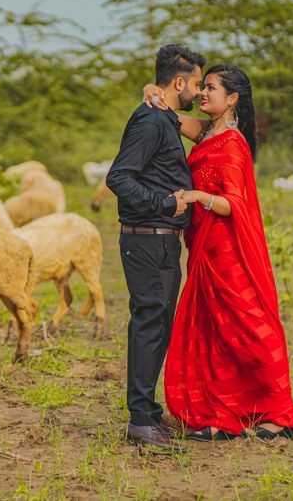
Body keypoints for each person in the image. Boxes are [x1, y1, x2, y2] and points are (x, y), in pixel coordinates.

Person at [143, 64, 293, 441]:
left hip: (228, 250)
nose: (203, 94)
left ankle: (280, 413)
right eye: (203, 88)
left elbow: (235, 204)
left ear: (232, 98)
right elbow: (168, 113)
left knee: (248, 327)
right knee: (212, 331)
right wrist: (151, 88)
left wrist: (199, 196)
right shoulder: (207, 133)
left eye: (211, 88)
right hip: (204, 248)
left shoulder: (232, 143)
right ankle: (219, 413)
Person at [106, 44, 205, 453]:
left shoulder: (162, 114)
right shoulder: (149, 120)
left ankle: (147, 414)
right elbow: (119, 177)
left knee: (156, 326)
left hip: (160, 241)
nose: (199, 93)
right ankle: (141, 423)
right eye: (196, 84)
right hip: (147, 238)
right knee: (149, 325)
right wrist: (166, 203)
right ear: (178, 82)